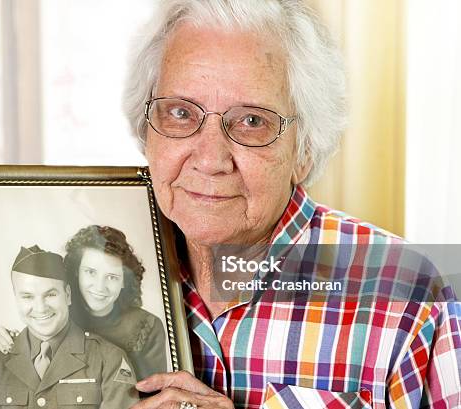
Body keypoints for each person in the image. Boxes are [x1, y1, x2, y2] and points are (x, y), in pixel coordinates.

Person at [117, 1, 460, 409]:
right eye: (179, 113)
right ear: (147, 130)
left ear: (305, 151)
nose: (210, 160)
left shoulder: (410, 295)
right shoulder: (98, 272)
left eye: (251, 121)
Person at [0, 226, 168, 382]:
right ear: (76, 272)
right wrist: (4, 339)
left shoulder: (146, 327)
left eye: (112, 277)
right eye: (90, 272)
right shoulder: (58, 313)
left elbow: (152, 395)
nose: (99, 287)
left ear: (124, 281)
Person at [0, 245, 139, 408]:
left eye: (50, 294)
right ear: (16, 299)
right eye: (27, 297)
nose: (40, 308)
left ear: (67, 295)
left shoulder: (109, 359)